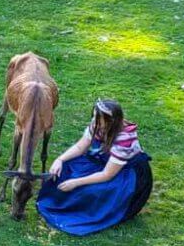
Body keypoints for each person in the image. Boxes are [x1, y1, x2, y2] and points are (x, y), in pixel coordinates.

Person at [37, 99, 153, 235]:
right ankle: (63, 203)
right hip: (104, 160)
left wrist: (75, 182)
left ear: (111, 122)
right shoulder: (98, 123)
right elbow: (81, 147)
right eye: (94, 118)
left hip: (124, 174)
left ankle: (81, 211)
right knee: (66, 168)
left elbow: (107, 175)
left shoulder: (124, 139)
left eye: (99, 120)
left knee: (91, 189)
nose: (95, 123)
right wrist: (60, 160)